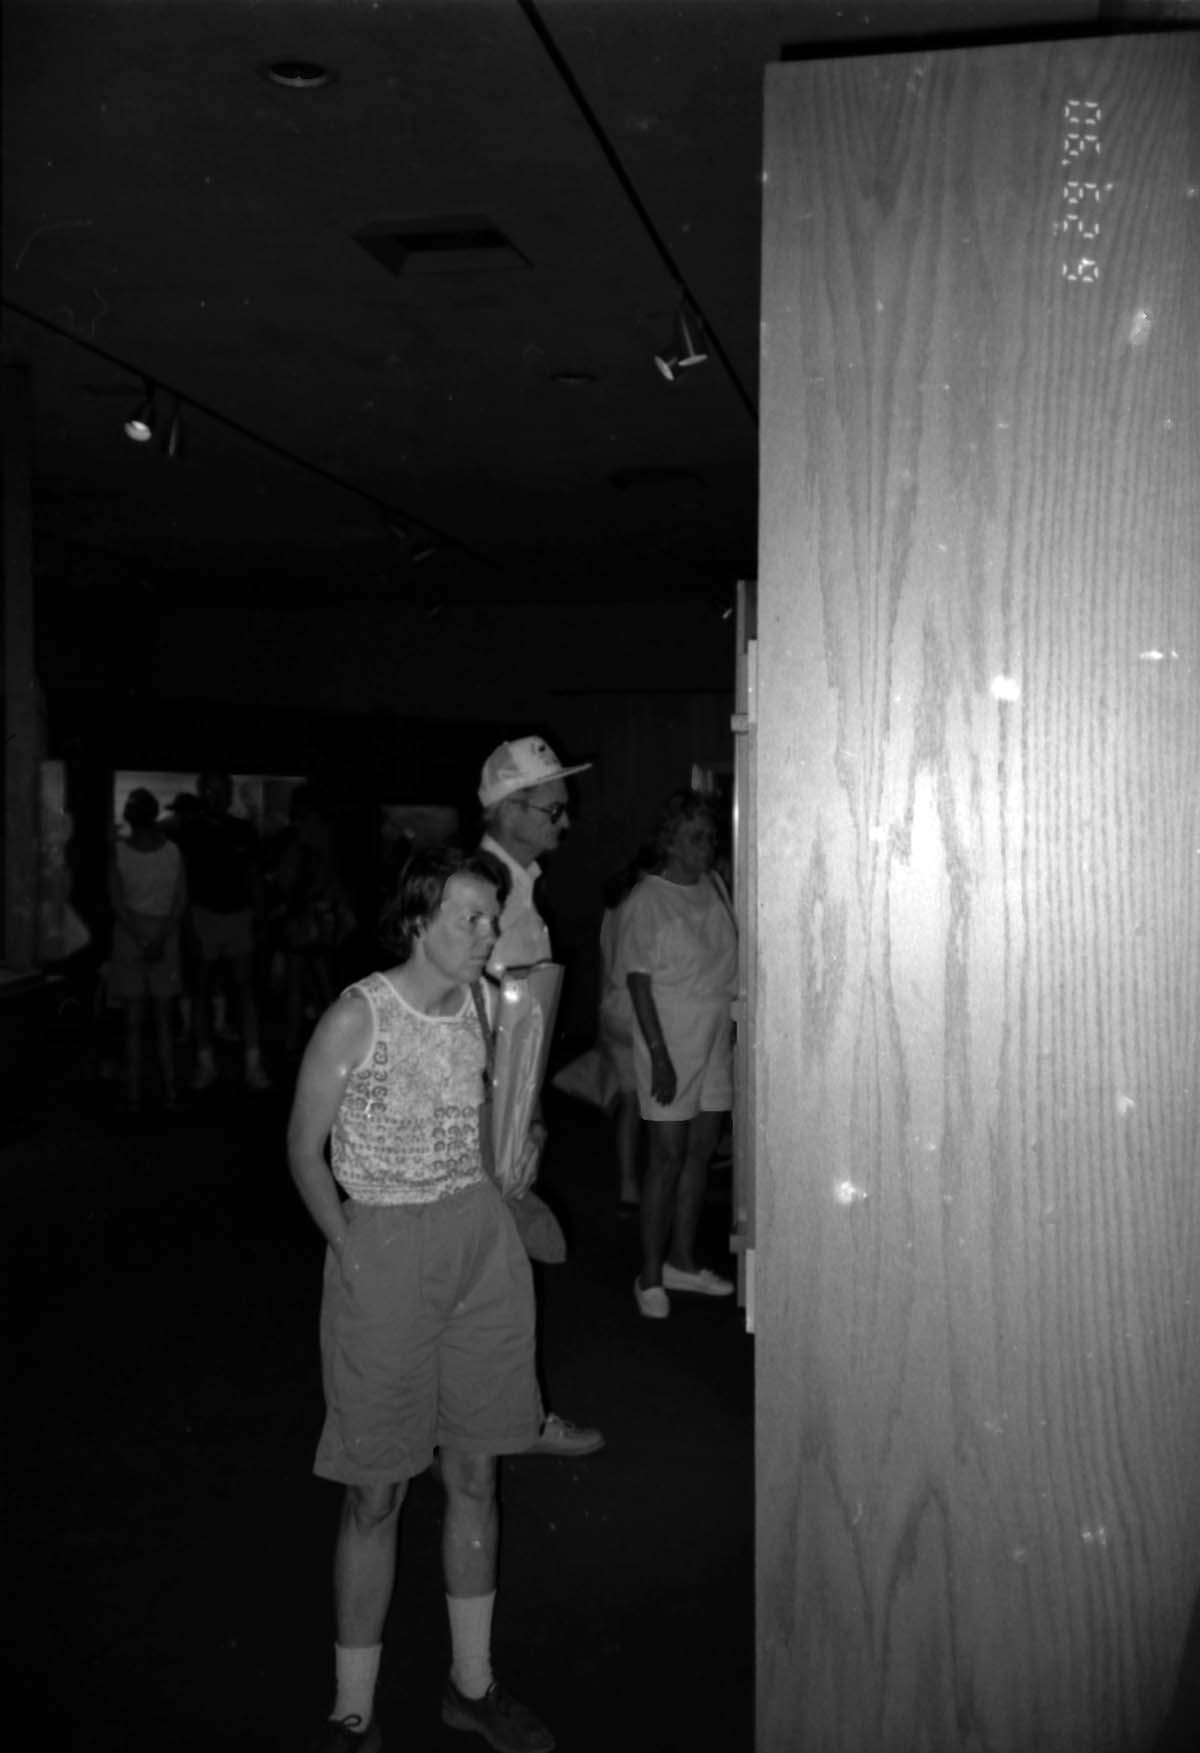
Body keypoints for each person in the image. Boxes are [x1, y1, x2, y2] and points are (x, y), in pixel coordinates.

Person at [287, 846, 555, 1753]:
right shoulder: (357, 1016)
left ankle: (470, 1684)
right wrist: (350, 1246)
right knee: (375, 1490)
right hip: (385, 1247)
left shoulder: (485, 1003)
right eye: (469, 919)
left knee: (477, 1470)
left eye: (491, 917)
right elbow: (301, 1149)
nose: (487, 934)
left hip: (478, 1246)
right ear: (417, 922)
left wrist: (514, 1152)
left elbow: (488, 1110)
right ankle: (351, 1707)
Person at [477, 736, 605, 1460]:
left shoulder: (512, 884)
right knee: (495, 1270)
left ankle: (484, 1416)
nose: (565, 822)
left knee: (493, 1269)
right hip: (485, 1104)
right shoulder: (481, 891)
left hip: (504, 1096)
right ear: (510, 808)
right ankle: (506, 1419)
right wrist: (510, 1117)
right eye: (554, 809)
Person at [611, 790, 738, 1319]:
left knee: (701, 1149)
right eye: (695, 837)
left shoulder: (714, 885)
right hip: (669, 1030)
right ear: (671, 841)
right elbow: (637, 983)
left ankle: (683, 1260)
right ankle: (649, 1273)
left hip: (715, 1030)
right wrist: (660, 1056)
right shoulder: (647, 899)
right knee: (665, 1154)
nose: (706, 846)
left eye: (709, 836)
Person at [174, 770, 270, 1090]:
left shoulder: (243, 831)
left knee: (244, 990)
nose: (216, 797)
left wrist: (258, 919)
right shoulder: (188, 832)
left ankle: (253, 1064)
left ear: (229, 795)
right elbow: (182, 884)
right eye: (210, 791)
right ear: (202, 794)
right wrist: (187, 925)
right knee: (201, 990)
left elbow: (255, 876)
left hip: (239, 916)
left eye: (221, 791)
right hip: (203, 917)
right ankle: (206, 1064)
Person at [106, 787, 188, 1112]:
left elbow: (117, 903)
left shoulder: (119, 853)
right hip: (165, 936)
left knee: (133, 1021)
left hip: (129, 936)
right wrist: (160, 936)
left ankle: (133, 1093)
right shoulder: (173, 853)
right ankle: (170, 1089)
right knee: (164, 1020)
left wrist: (139, 937)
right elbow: (180, 901)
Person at [598, 855, 647, 1214]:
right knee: (662, 1106)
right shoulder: (647, 907)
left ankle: (629, 1186)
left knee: (631, 1103)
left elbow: (604, 964)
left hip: (614, 1008)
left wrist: (599, 1018)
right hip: (641, 1011)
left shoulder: (613, 908)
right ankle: (662, 1185)